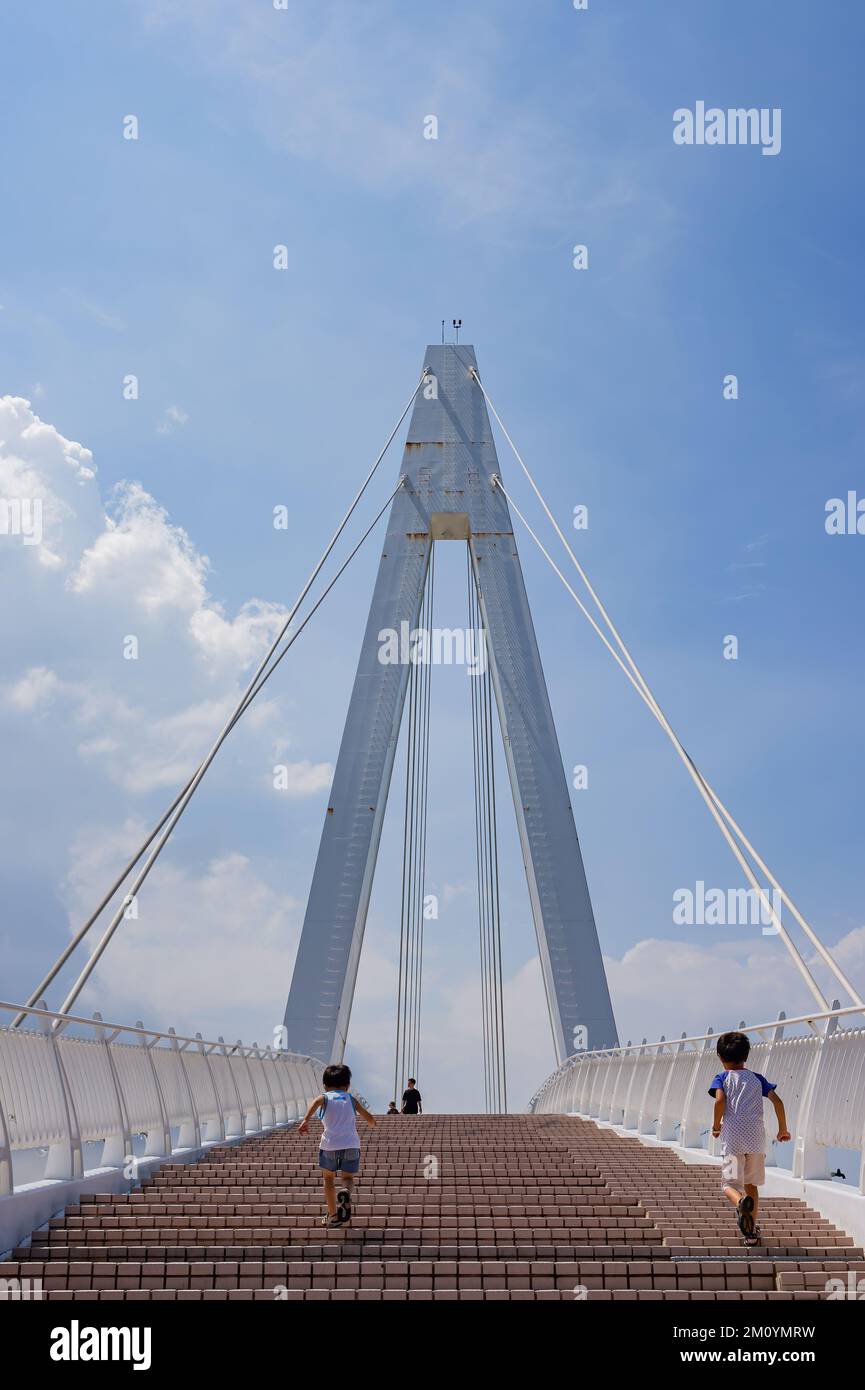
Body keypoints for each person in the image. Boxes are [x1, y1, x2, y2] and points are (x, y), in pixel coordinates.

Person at [709, 1031, 790, 1245]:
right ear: (746, 1056)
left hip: (733, 1140)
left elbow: (719, 1103)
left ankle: (740, 1202)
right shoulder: (757, 1078)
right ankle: (751, 1233)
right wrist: (783, 1129)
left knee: (728, 1184)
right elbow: (778, 1102)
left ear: (719, 1056)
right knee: (752, 1184)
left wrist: (716, 1126)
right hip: (755, 1140)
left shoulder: (722, 1078)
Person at [298, 1063, 376, 1228]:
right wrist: (372, 1122)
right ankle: (346, 1192)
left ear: (325, 1086)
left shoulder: (324, 1097)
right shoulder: (351, 1099)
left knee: (328, 1179)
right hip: (351, 1145)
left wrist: (305, 1120)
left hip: (329, 1145)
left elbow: (315, 1102)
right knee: (347, 1178)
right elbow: (368, 1117)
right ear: (347, 1085)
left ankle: (333, 1215)